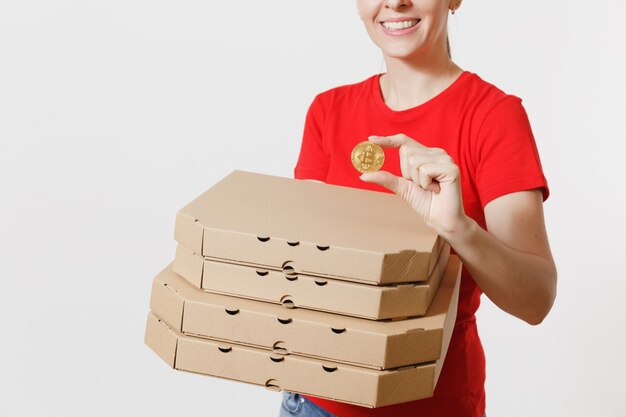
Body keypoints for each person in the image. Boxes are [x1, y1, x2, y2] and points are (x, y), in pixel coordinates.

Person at [279, 0, 557, 416]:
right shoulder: (327, 112)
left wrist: (458, 229)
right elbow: (298, 270)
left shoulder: (493, 117)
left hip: (434, 406)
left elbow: (536, 301)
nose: (395, 2)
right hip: (316, 404)